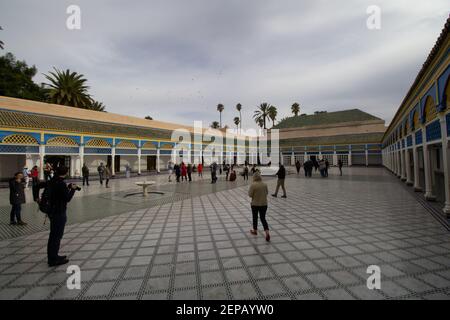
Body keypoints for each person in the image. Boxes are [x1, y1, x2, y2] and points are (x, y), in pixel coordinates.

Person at [47, 166, 78, 267]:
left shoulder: (53, 181)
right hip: (59, 212)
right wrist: (72, 190)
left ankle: (53, 256)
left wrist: (67, 187)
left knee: (53, 236)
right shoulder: (60, 183)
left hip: (52, 211)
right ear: (65, 173)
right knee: (56, 236)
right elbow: (67, 198)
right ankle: (53, 259)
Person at [248, 172, 270, 242]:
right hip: (264, 204)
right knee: (263, 218)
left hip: (255, 204)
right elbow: (267, 193)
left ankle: (255, 230)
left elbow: (250, 195)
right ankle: (267, 233)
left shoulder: (253, 185)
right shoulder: (264, 184)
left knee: (255, 217)